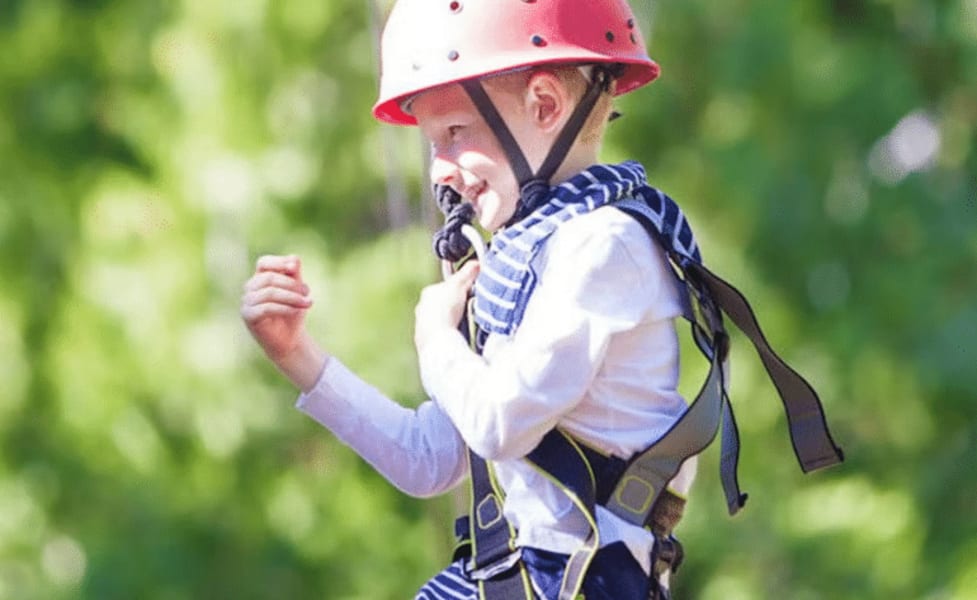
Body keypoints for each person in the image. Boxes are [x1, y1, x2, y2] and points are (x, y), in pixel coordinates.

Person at [240, 1, 843, 598]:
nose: (439, 172)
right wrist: (298, 356)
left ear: (546, 106)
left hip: (584, 581)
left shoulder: (603, 246)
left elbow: (499, 424)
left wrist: (435, 338)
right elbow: (429, 460)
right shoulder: (529, 260)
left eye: (454, 134)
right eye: (432, 145)